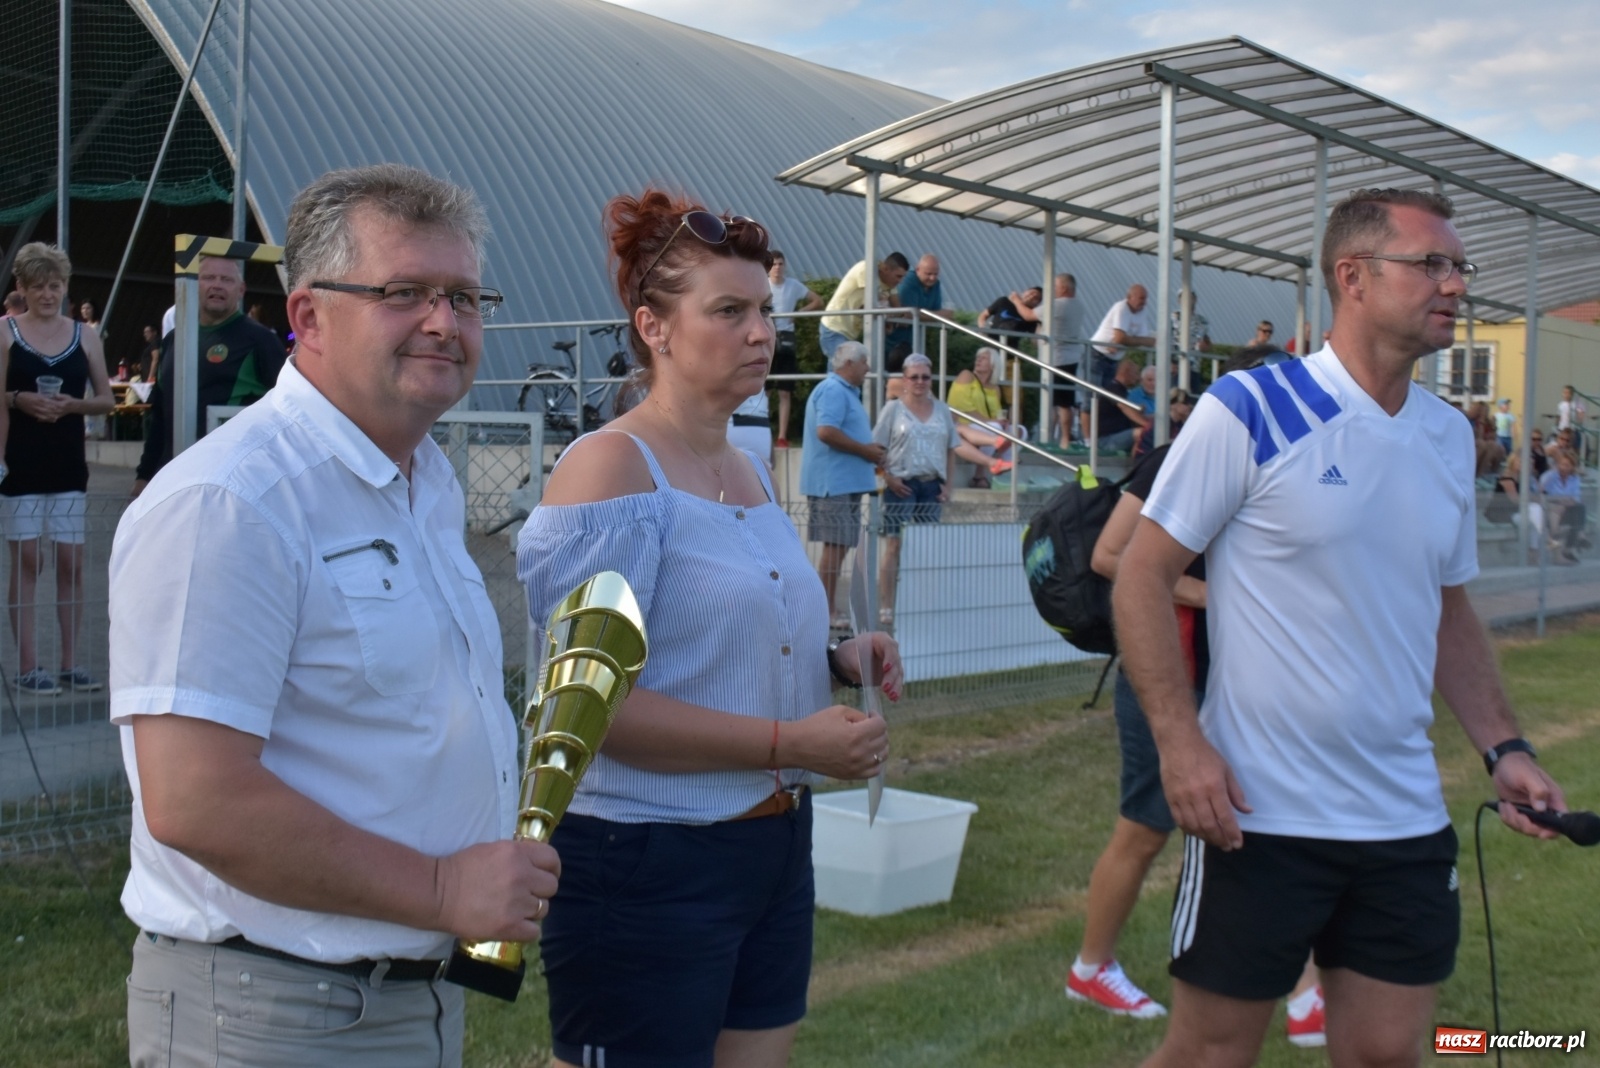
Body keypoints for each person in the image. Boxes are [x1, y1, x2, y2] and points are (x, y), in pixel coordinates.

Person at [111, 164, 558, 1067]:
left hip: (406, 1000)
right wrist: (444, 889)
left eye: (464, 297)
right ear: (309, 317)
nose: (445, 322)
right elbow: (196, 801)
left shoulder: (424, 484)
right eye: (405, 293)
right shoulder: (230, 502)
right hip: (270, 1014)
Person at [1117, 187, 1568, 1068]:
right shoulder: (1252, 407)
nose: (1455, 285)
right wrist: (1180, 745)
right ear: (1352, 277)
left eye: (1459, 266)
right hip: (1259, 815)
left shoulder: (1449, 436)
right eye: (1431, 264)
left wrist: (1503, 746)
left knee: (1386, 1055)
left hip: (1404, 818)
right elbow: (1140, 574)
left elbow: (1447, 608)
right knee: (1210, 1055)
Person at [518, 187, 899, 1068]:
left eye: (764, 310)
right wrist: (789, 742)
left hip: (773, 843)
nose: (761, 332)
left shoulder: (748, 466)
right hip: (646, 858)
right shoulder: (611, 473)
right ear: (652, 327)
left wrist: (838, 660)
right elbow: (589, 714)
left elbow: (723, 642)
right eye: (729, 311)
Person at [1065, 400, 1208, 1024]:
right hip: (1167, 673)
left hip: (1227, 678)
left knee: (1267, 828)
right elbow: (1109, 556)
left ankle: (1303, 983)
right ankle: (1091, 969)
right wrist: (1215, 595)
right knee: (1147, 826)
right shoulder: (1177, 461)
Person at [2, 242, 114, 695]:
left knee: (71, 562)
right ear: (22, 289)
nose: (48, 295)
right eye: (38, 287)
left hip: (68, 463)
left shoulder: (85, 335)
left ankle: (70, 662)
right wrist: (18, 399)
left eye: (55, 286)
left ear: (65, 287)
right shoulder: (6, 332)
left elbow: (105, 399)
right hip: (20, 463)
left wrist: (72, 405)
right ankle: (28, 665)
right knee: (28, 561)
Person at [133, 256, 287, 495]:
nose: (217, 285)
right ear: (194, 286)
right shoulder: (174, 340)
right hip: (172, 480)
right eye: (209, 278)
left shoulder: (261, 341)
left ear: (241, 289)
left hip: (233, 484)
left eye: (226, 279)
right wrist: (144, 475)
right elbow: (160, 415)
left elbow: (286, 413)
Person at [872, 353, 997, 619]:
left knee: (928, 548)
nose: (920, 381)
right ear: (905, 379)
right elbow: (876, 448)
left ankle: (921, 605)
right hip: (901, 485)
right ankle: (886, 605)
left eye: (925, 377)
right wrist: (888, 478)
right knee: (894, 545)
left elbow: (951, 449)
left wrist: (949, 485)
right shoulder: (892, 409)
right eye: (914, 377)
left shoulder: (942, 410)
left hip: (932, 485)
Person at [800, 340, 885, 624]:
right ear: (849, 364)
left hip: (843, 484)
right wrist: (865, 451)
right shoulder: (833, 390)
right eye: (864, 362)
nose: (868, 368)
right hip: (832, 484)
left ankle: (828, 608)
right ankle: (825, 611)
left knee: (839, 547)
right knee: (835, 547)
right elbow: (826, 431)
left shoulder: (845, 391)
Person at [766, 249, 821, 446]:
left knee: (785, 391)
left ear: (785, 266)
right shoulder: (762, 284)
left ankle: (782, 436)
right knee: (764, 390)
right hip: (768, 337)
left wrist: (798, 313)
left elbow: (817, 300)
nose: (777, 268)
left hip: (787, 339)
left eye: (780, 264)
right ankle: (764, 431)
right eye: (774, 264)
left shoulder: (793, 285)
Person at [948, 348, 1027, 483]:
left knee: (1020, 430)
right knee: (994, 427)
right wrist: (992, 421)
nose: (978, 360)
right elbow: (962, 407)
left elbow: (996, 414)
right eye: (978, 357)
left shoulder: (995, 388)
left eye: (983, 358)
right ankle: (980, 474)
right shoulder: (966, 375)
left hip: (985, 425)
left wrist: (1003, 421)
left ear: (993, 365)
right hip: (964, 423)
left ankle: (1004, 460)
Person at [818, 253, 907, 358]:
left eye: (902, 277)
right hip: (834, 328)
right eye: (898, 276)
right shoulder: (867, 269)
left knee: (848, 366)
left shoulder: (889, 283)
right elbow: (870, 305)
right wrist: (888, 314)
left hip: (849, 333)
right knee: (844, 366)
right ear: (885, 269)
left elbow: (897, 309)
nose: (900, 281)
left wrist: (890, 319)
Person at [886, 254, 945, 375]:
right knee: (893, 378)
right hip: (892, 345)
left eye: (935, 274)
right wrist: (939, 315)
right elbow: (910, 314)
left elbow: (931, 314)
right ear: (917, 270)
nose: (932, 278)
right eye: (928, 274)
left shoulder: (936, 284)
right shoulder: (909, 281)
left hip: (913, 345)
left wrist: (931, 315)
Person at [1089, 284, 1156, 388]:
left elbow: (1143, 340)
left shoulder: (1143, 311)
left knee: (1108, 394)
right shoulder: (1121, 308)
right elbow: (1121, 338)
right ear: (1130, 297)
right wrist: (1127, 340)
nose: (1145, 302)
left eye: (1146, 299)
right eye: (1141, 298)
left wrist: (1124, 340)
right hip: (1098, 355)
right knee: (1093, 392)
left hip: (1115, 359)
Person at [1050, 273, 1086, 447]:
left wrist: (1016, 300)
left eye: (1055, 287)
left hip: (1058, 359)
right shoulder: (1079, 305)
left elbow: (1028, 315)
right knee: (1061, 401)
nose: (1053, 290)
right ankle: (1060, 438)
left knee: (1061, 403)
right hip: (1071, 358)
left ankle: (1061, 439)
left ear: (1064, 288)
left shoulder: (1058, 305)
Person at [1539, 448, 1587, 563]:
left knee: (1579, 508)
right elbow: (1541, 493)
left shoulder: (1574, 478)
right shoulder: (1550, 476)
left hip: (1568, 508)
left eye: (1567, 465)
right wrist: (1562, 500)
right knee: (1572, 513)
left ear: (1572, 467)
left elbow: (1575, 498)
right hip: (1550, 508)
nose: (1564, 468)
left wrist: (1565, 501)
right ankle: (1574, 542)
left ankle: (1569, 547)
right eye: (1562, 464)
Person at [1093, 358, 1150, 454]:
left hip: (1117, 435)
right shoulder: (1114, 388)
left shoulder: (1121, 390)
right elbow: (1124, 407)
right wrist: (1147, 424)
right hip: (1106, 440)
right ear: (1126, 372)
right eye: (1136, 373)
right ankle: (1138, 461)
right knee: (1142, 433)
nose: (1138, 378)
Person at [1557, 384, 1586, 458]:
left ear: (1571, 394)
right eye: (1564, 392)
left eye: (1568, 393)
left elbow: (1581, 416)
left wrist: (1578, 420)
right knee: (1561, 447)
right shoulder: (1561, 405)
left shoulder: (1576, 404)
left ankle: (1574, 460)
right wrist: (1557, 426)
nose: (1566, 395)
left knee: (1573, 447)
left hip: (1572, 430)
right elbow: (1559, 417)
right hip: (1562, 429)